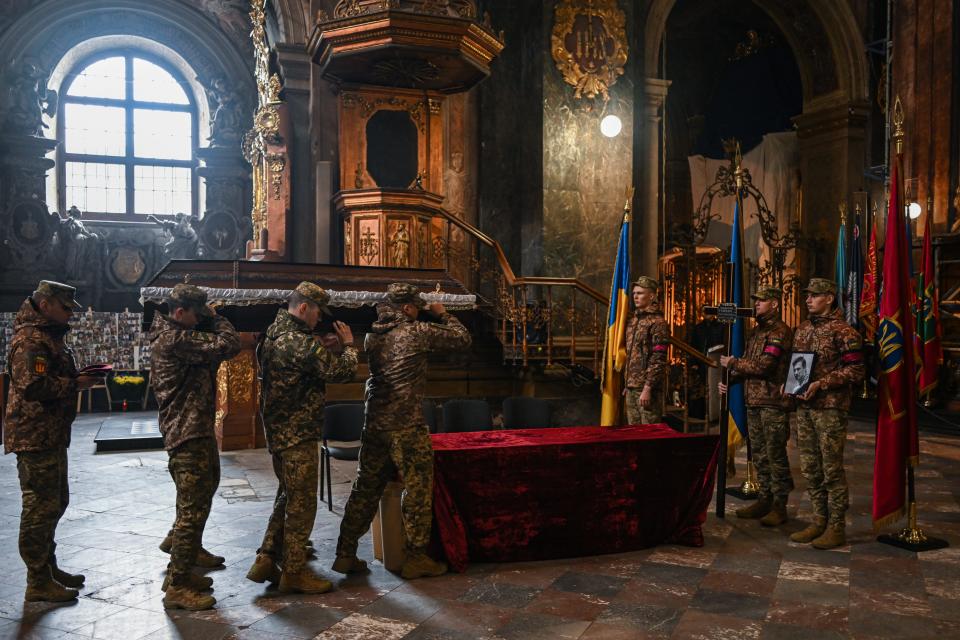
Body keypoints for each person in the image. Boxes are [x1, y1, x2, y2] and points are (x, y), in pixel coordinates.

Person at [332, 283, 471, 579]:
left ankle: (345, 552)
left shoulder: (372, 336)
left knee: (365, 489)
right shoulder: (416, 332)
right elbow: (462, 339)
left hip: (375, 424)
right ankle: (416, 557)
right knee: (418, 488)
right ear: (407, 308)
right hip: (406, 424)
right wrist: (442, 313)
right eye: (416, 308)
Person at [246, 282, 358, 593]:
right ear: (304, 307)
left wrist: (324, 348)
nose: (319, 319)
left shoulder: (274, 333)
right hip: (298, 432)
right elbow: (340, 373)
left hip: (280, 431)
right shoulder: (298, 341)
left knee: (286, 495)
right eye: (318, 312)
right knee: (302, 503)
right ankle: (294, 573)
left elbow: (307, 363)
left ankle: (267, 556)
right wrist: (347, 346)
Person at [4, 281, 99, 602]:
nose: (70, 313)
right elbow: (32, 386)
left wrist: (74, 380)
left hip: (51, 433)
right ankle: (37, 581)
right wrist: (76, 384)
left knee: (55, 502)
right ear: (45, 305)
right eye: (65, 307)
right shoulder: (30, 340)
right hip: (34, 435)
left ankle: (47, 566)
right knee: (39, 508)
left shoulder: (47, 336)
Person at [149, 284, 241, 610]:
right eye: (196, 313)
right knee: (193, 508)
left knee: (202, 492)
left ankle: (186, 556)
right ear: (179, 313)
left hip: (195, 429)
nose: (200, 317)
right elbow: (230, 346)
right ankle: (177, 583)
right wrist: (218, 318)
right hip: (186, 432)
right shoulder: (177, 339)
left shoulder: (178, 333)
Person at [787, 278, 864, 550]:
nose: (808, 300)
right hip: (805, 407)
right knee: (810, 467)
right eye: (807, 296)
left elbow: (856, 371)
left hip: (830, 407)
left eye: (814, 296)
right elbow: (798, 366)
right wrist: (793, 387)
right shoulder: (803, 329)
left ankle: (836, 527)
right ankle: (819, 519)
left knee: (831, 468)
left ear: (829, 298)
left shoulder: (845, 332)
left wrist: (821, 383)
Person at [719, 286, 794, 526]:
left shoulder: (778, 332)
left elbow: (764, 366)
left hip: (772, 402)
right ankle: (765, 499)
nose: (757, 304)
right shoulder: (756, 332)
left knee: (775, 455)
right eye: (756, 300)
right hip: (753, 401)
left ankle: (780, 506)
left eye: (761, 301)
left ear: (774, 304)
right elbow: (750, 367)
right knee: (759, 455)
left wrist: (734, 363)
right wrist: (730, 382)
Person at [623, 276, 670, 424]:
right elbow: (632, 354)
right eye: (634, 293)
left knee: (649, 433)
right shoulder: (634, 320)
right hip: (632, 387)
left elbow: (658, 358)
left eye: (640, 293)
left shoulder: (658, 322)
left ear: (651, 296)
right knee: (634, 434)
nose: (635, 296)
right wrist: (627, 384)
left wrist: (648, 387)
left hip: (647, 388)